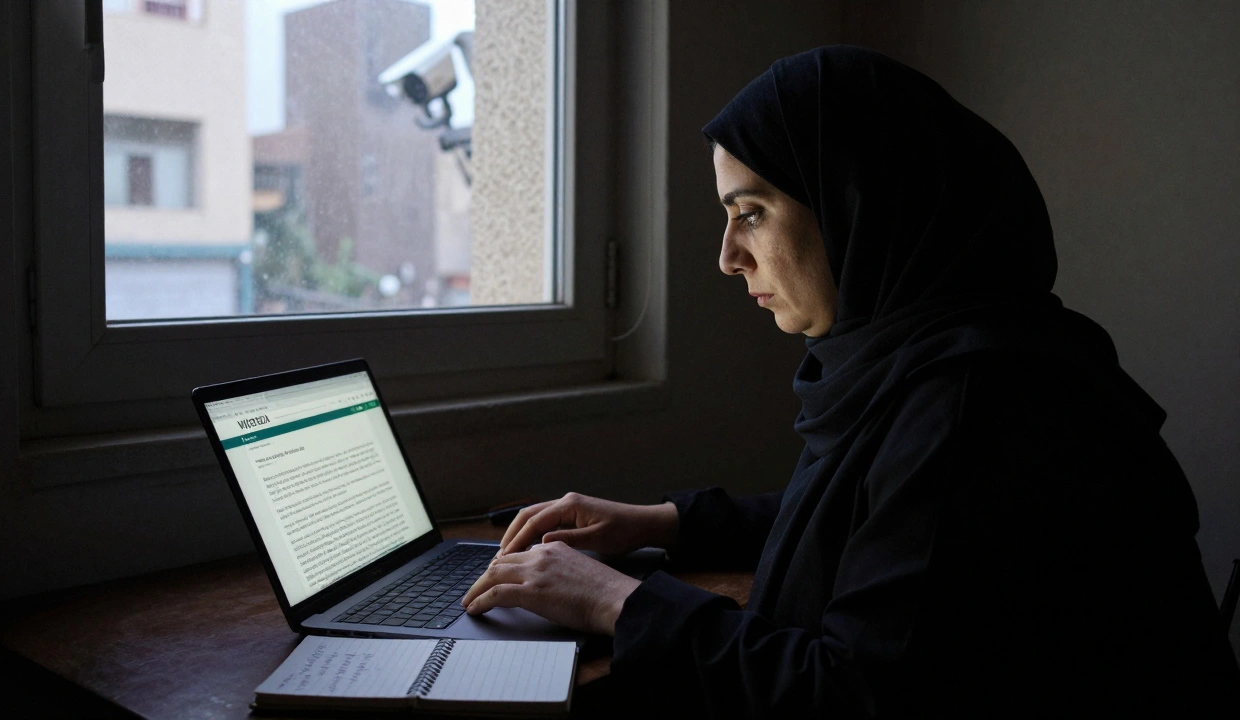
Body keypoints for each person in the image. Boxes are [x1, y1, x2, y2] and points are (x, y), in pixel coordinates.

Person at [461, 46, 1240, 716]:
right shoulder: (943, 360)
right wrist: (661, 522)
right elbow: (874, 525)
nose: (729, 256)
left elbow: (851, 696)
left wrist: (614, 600)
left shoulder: (977, 404)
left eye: (753, 212)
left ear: (856, 204)